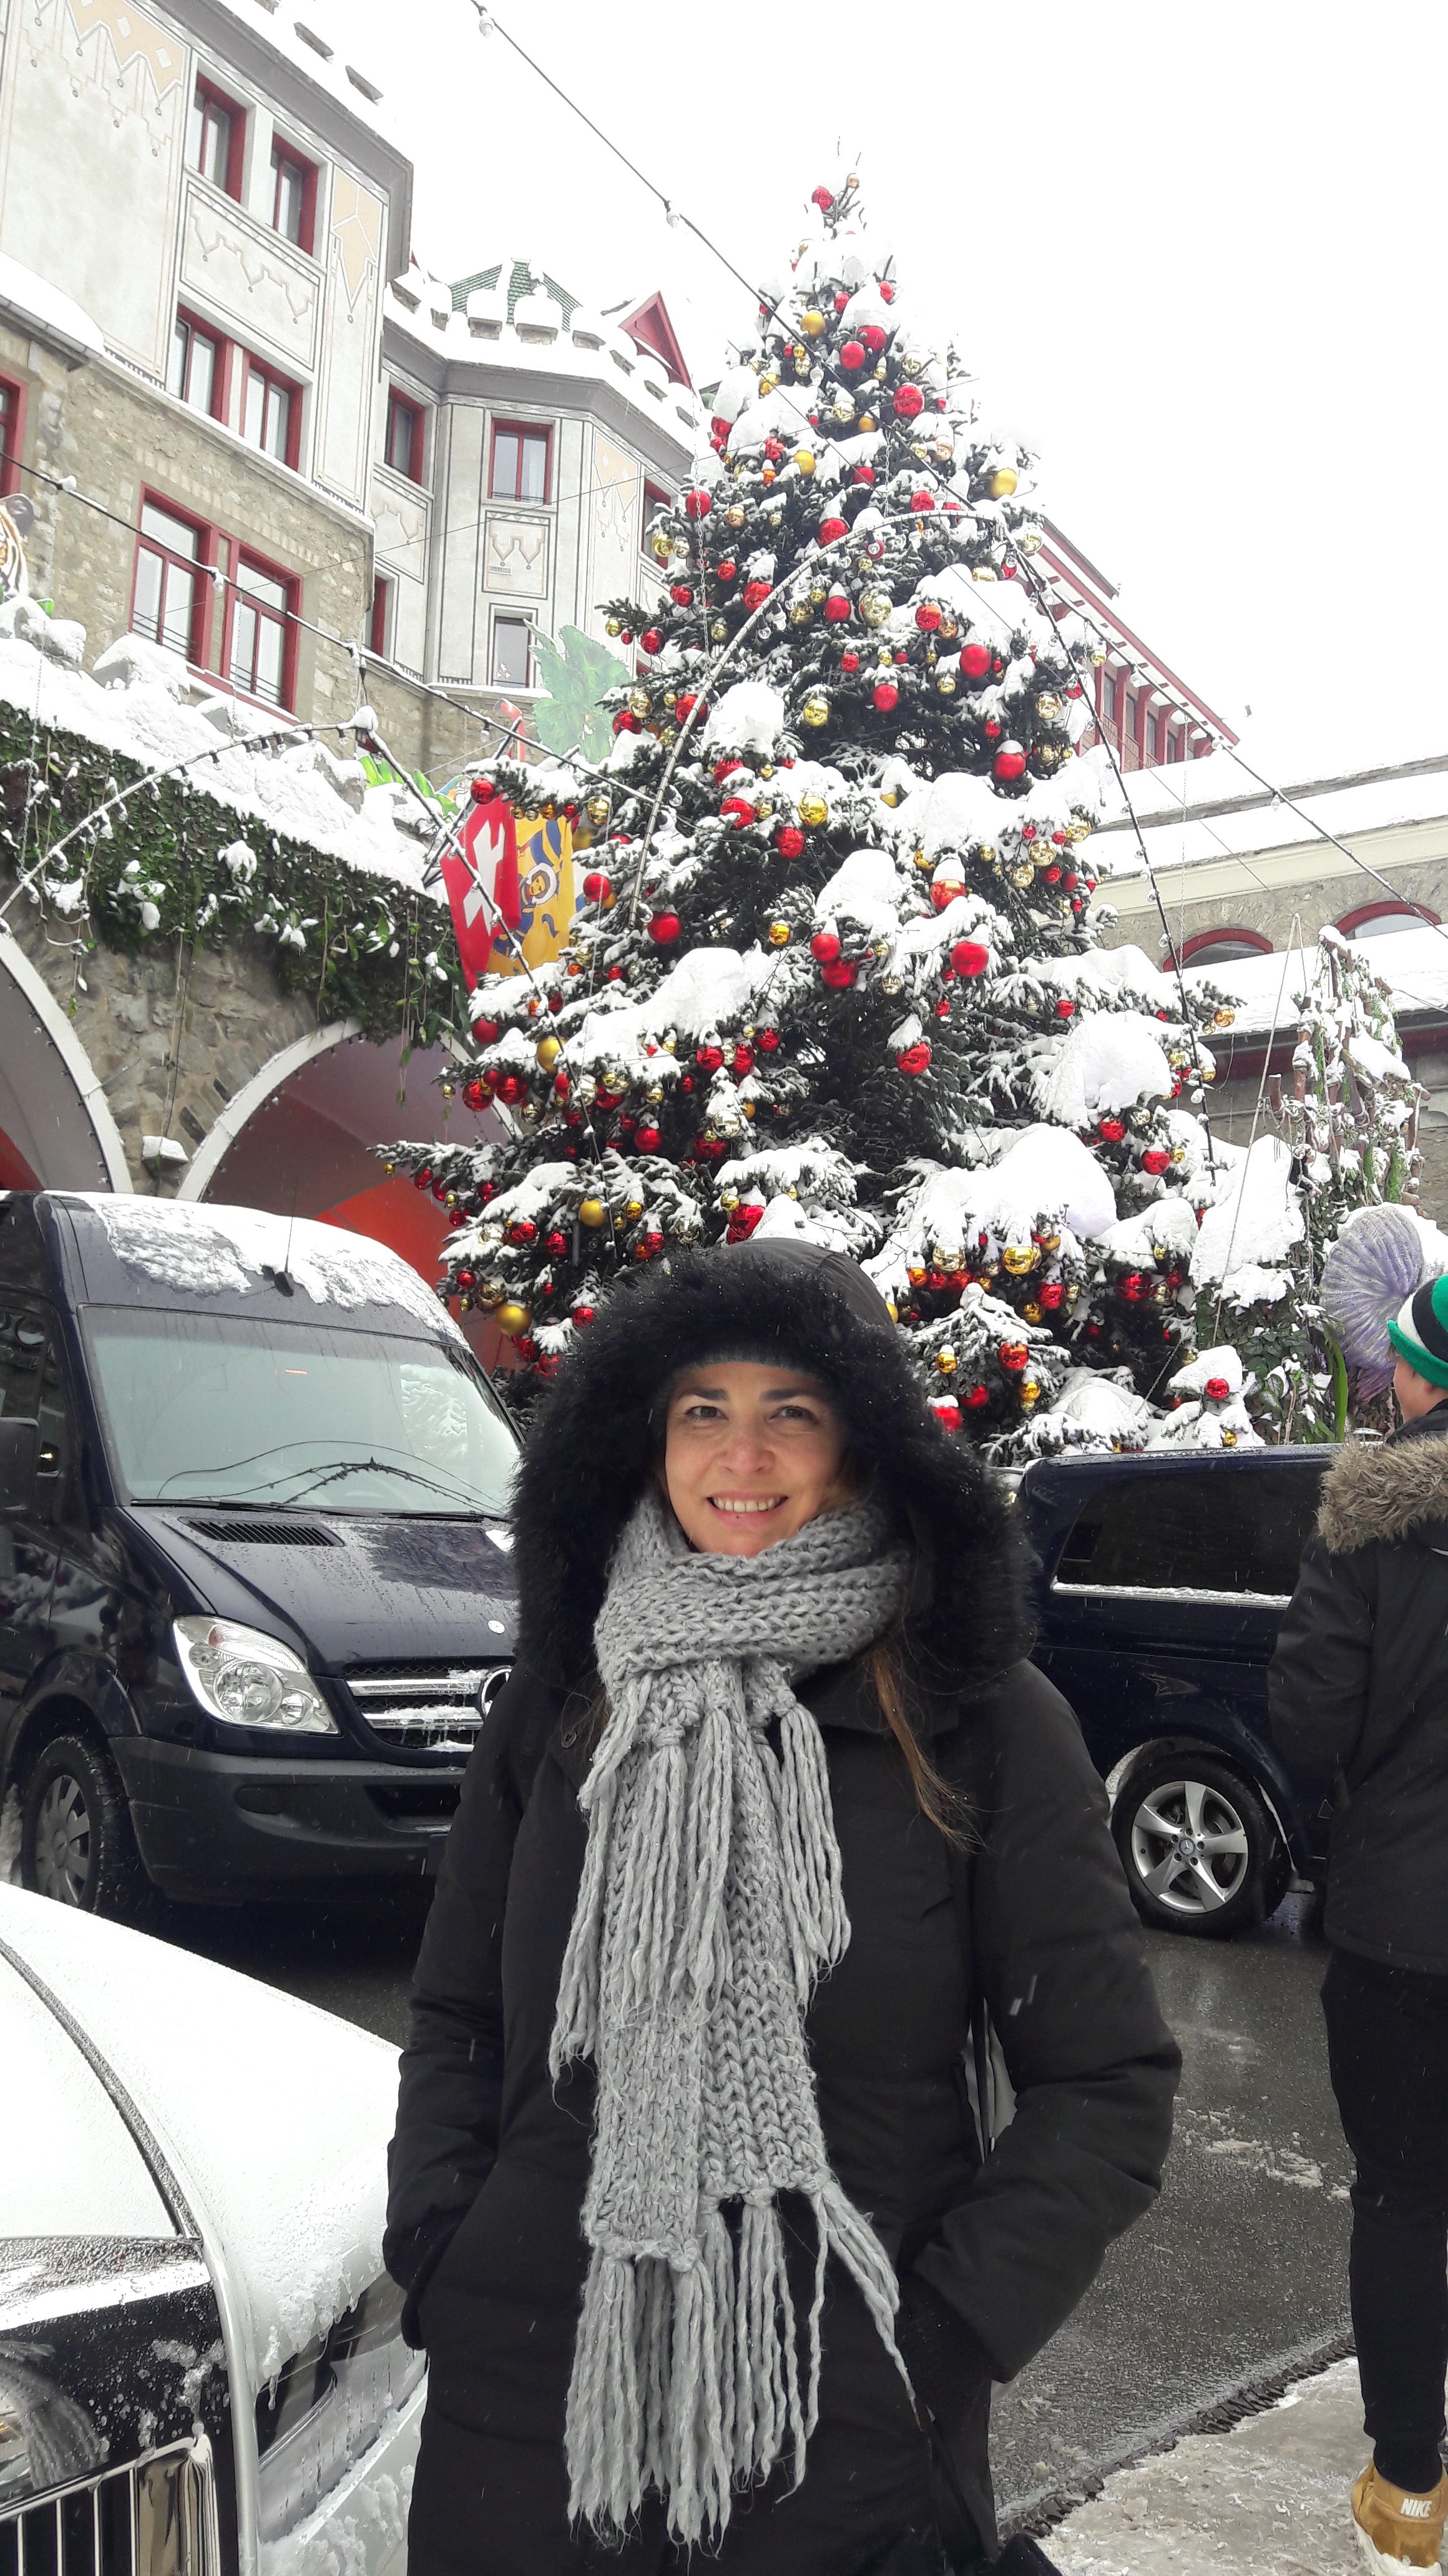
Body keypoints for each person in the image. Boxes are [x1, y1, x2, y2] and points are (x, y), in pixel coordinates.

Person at [386, 1239, 1180, 2576]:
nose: (740, 1457)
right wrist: (443, 2250)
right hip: (523, 2407)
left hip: (833, 2422)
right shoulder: (565, 1696)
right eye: (703, 1410)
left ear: (861, 1441)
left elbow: (1105, 2084)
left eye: (790, 1412)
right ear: (650, 1440)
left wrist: (933, 2343)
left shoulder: (975, 1720)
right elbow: (459, 2008)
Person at [1269, 1274, 1448, 2570]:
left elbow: (1307, 1717)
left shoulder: (1368, 1522)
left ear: (1423, 1375)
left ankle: (1408, 2484)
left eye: (1398, 1362)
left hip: (1404, 1929)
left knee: (1400, 2195)